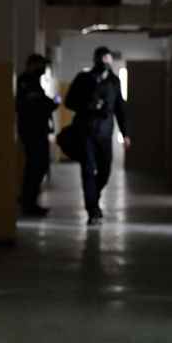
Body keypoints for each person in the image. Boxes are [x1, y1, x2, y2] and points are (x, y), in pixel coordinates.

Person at [65, 46, 131, 225]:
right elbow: (69, 102)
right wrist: (88, 105)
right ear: (95, 60)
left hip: (105, 134)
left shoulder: (114, 82)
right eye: (102, 59)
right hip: (85, 132)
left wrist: (125, 134)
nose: (105, 63)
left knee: (105, 171)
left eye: (108, 59)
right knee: (87, 170)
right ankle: (92, 210)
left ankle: (93, 197)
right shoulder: (83, 78)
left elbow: (120, 109)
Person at [16, 54, 59, 217]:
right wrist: (52, 103)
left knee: (38, 167)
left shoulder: (34, 82)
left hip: (38, 131)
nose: (43, 69)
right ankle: (28, 202)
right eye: (41, 66)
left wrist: (51, 103)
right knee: (35, 167)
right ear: (32, 65)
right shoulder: (25, 82)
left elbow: (42, 102)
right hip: (32, 131)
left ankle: (29, 200)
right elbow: (36, 105)